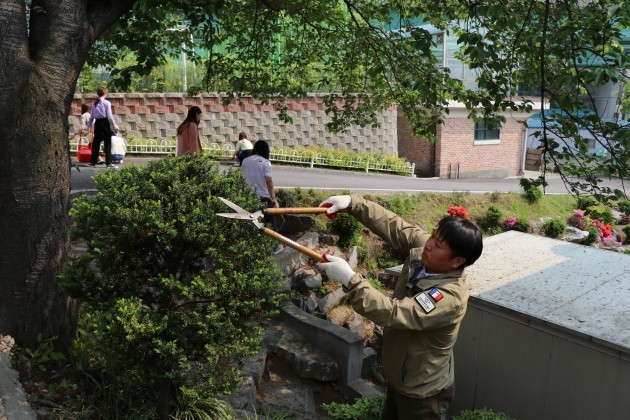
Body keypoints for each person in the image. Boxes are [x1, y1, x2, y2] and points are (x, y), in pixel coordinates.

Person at [317, 195, 483, 420]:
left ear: (456, 262)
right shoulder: (428, 251)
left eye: (438, 244)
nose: (429, 244)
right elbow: (395, 226)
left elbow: (393, 312)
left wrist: (350, 279)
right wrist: (353, 204)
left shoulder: (447, 297)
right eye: (433, 235)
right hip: (401, 377)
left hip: (423, 394)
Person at [240, 140, 283, 253]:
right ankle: (275, 246)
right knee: (270, 224)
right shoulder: (265, 163)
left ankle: (251, 247)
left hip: (247, 197)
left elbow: (241, 178)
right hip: (263, 198)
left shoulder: (245, 161)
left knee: (253, 222)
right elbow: (268, 182)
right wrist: (273, 199)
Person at [87, 88, 120, 168]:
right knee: (107, 143)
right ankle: (108, 163)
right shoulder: (107, 102)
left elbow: (91, 117)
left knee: (96, 143)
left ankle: (93, 163)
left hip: (97, 124)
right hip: (105, 123)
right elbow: (109, 115)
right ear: (105, 93)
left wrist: (87, 126)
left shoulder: (94, 103)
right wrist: (114, 124)